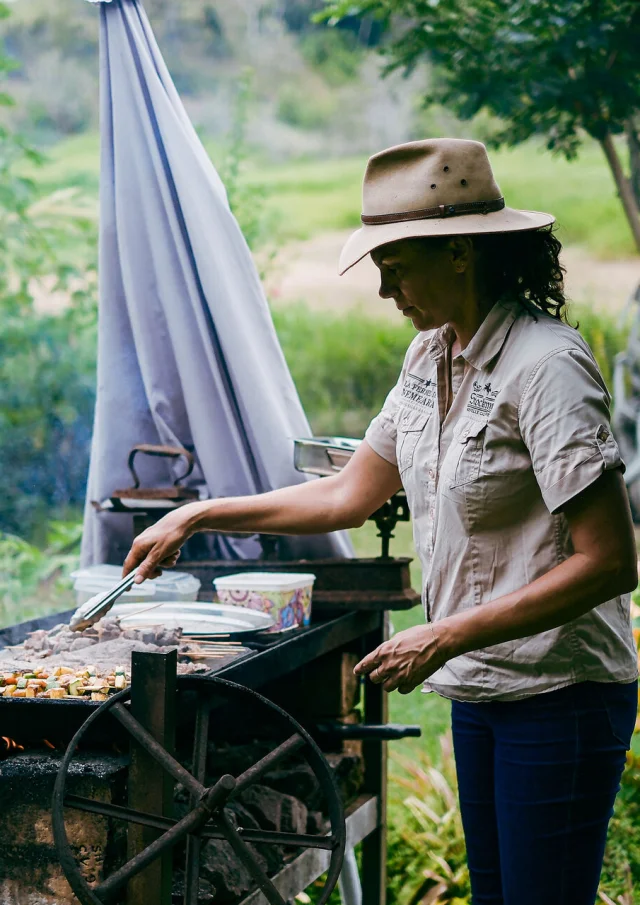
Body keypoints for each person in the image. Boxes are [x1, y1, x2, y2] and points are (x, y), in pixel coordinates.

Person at [122, 139, 639, 904]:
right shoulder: (431, 356)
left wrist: (443, 632)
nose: (385, 292)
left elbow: (611, 560)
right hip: (485, 686)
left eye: (397, 269)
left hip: (561, 692)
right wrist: (199, 514)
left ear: (459, 252)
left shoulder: (546, 367)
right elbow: (348, 496)